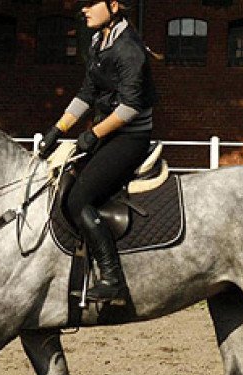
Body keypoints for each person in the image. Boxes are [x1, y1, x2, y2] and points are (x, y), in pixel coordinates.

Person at [38, 0, 156, 303]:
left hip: (130, 137)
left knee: (79, 198)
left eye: (91, 4)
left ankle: (113, 279)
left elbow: (130, 107)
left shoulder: (129, 48)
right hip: (108, 133)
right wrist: (58, 129)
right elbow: (87, 93)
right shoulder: (98, 41)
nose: (84, 10)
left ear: (114, 5)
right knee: (61, 182)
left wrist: (93, 133)